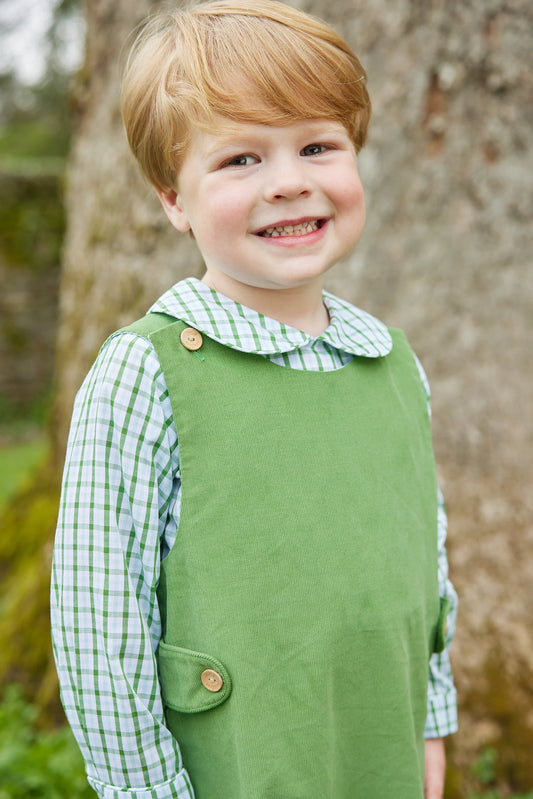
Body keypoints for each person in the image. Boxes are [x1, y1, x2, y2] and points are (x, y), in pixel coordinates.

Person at [50, 1, 458, 797]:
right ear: (174, 198)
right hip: (237, 767)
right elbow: (101, 624)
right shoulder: (148, 371)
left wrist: (429, 721)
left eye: (317, 145)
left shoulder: (392, 361)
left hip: (377, 746)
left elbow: (424, 568)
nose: (290, 182)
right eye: (240, 160)